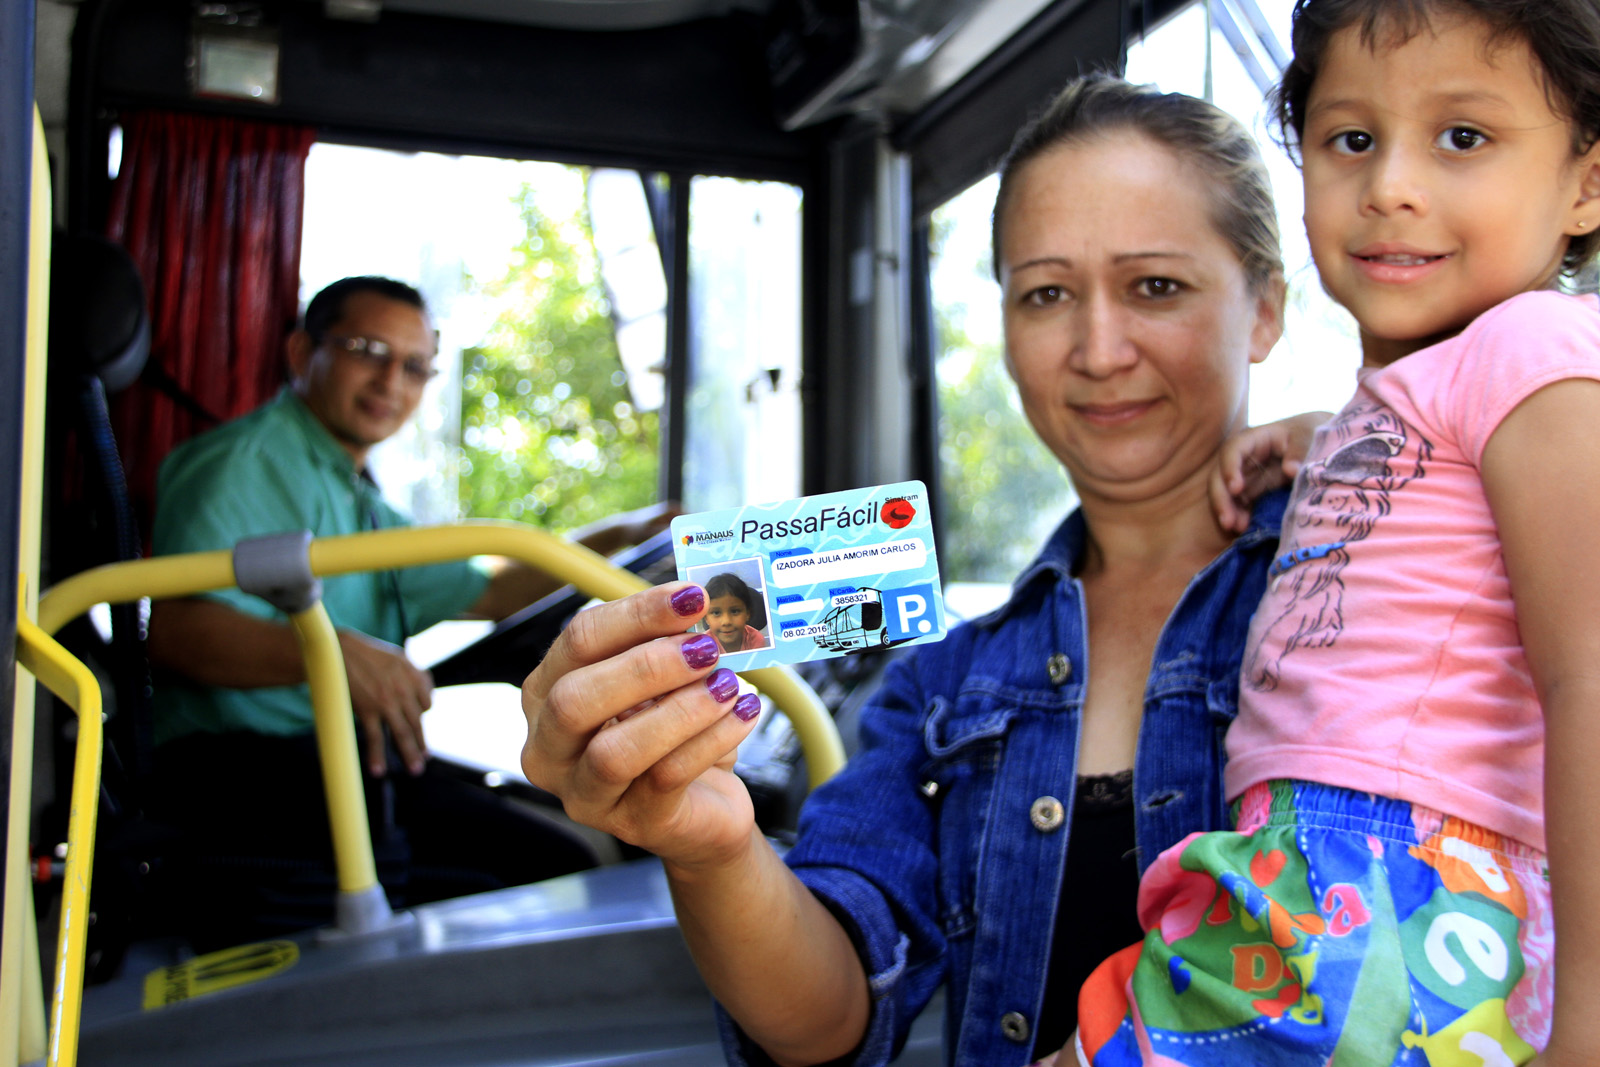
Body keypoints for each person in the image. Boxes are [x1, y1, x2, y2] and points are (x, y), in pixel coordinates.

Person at [519, 74, 1295, 1066]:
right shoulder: (943, 683)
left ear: (1264, 308)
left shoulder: (1375, 591)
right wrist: (708, 842)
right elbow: (829, 1016)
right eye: (1046, 292)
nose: (1099, 350)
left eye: (1155, 286)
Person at [1073, 3, 1600, 1065]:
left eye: (1463, 137)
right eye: (1349, 139)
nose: (1390, 185)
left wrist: (1589, 1016)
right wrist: (1325, 440)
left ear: (1587, 181)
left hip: (1395, 876)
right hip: (1324, 875)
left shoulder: (1538, 350)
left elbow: (1589, 669)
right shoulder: (1431, 390)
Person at [144, 275, 673, 944]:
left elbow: (492, 586)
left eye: (415, 365)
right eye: (368, 350)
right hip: (243, 775)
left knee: (568, 847)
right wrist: (335, 657)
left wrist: (626, 532)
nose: (392, 379)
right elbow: (176, 632)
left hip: (342, 761)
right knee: (553, 870)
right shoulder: (241, 465)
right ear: (303, 352)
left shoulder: (354, 492)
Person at [703, 573, 768, 652]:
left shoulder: (756, 640)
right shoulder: (703, 646)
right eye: (716, 613)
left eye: (734, 611)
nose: (726, 621)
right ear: (706, 617)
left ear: (748, 613)